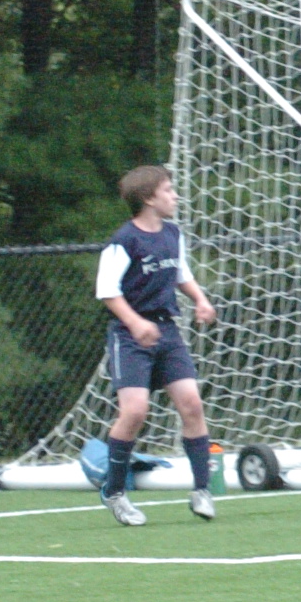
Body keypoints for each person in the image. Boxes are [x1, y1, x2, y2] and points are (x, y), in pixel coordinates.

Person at [91, 165, 219, 527]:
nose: (175, 196)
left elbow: (181, 274)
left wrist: (201, 300)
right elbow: (107, 291)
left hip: (167, 332)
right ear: (149, 198)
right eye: (168, 190)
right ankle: (115, 491)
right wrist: (136, 323)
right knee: (134, 412)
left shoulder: (172, 233)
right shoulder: (124, 241)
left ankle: (202, 489)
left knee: (191, 404)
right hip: (131, 336)